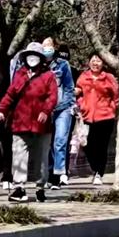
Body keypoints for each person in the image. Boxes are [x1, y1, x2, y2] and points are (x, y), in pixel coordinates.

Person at [0, 42, 57, 202]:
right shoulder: (20, 74)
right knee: (19, 155)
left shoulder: (48, 75)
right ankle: (19, 188)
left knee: (41, 158)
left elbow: (52, 97)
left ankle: (40, 187)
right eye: (29, 55)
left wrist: (45, 111)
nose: (32, 59)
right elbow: (10, 94)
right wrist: (2, 110)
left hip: (41, 125)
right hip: (20, 122)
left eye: (35, 55)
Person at [75, 53, 119, 185]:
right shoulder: (83, 77)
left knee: (102, 146)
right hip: (88, 117)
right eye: (93, 60)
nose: (95, 63)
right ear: (89, 62)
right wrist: (81, 105)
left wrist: (113, 109)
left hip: (105, 117)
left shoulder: (109, 78)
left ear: (103, 63)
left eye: (98, 61)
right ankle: (95, 169)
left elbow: (116, 96)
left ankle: (99, 172)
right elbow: (78, 92)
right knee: (88, 145)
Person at [41, 37, 75, 189]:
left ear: (54, 47)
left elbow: (69, 87)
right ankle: (48, 174)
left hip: (62, 108)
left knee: (60, 140)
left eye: (49, 45)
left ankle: (59, 174)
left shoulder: (63, 64)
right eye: (44, 45)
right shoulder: (38, 65)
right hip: (44, 109)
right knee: (46, 143)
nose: (47, 48)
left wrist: (66, 104)